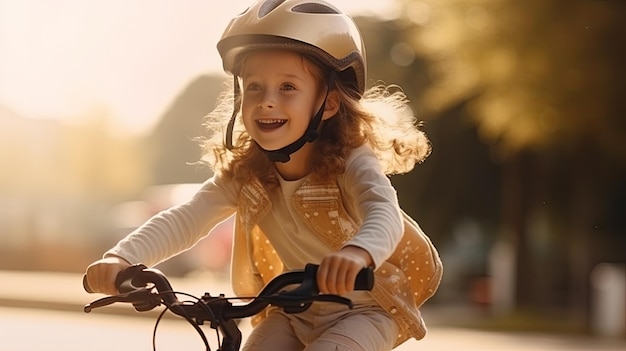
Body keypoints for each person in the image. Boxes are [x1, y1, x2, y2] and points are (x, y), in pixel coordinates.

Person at [84, 0, 442, 350]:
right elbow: (186, 218)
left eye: (287, 87)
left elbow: (384, 214)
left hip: (365, 310)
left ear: (328, 103)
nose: (267, 100)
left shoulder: (351, 162)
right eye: (254, 86)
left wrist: (357, 253)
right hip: (293, 310)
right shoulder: (249, 174)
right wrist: (122, 258)